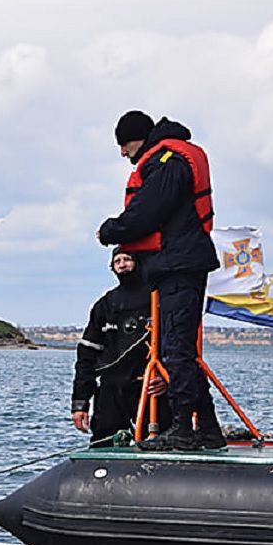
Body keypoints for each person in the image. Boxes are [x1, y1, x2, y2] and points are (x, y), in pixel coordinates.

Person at [97, 110, 225, 451]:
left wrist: (111, 230)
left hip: (180, 265)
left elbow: (147, 211)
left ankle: (183, 429)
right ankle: (208, 428)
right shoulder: (169, 158)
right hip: (177, 263)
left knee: (175, 351)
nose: (123, 153)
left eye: (124, 145)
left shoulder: (168, 162)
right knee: (179, 349)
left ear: (137, 139)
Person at [72, 247, 166, 445]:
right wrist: (80, 403)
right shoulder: (105, 305)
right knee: (102, 441)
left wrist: (168, 379)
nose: (122, 264)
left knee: (160, 439)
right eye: (118, 261)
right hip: (112, 387)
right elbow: (86, 356)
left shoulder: (158, 299)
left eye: (127, 259)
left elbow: (179, 348)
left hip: (151, 386)